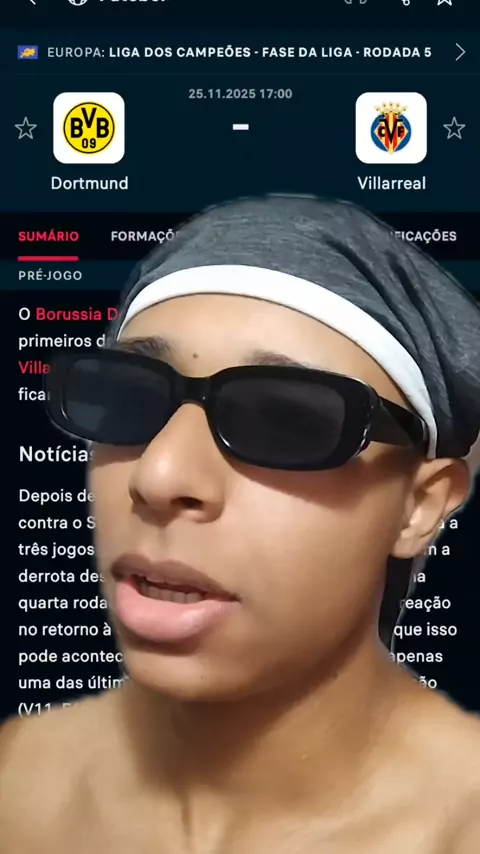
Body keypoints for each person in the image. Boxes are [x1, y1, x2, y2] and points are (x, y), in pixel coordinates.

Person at [1, 194, 480, 853]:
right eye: (128, 397)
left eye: (285, 420)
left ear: (420, 506)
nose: (159, 475)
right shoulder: (14, 777)